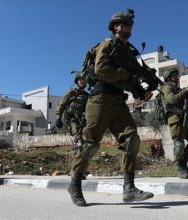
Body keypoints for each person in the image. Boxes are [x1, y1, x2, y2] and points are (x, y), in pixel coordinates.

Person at [67, 8, 154, 206]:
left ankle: (129, 189)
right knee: (90, 144)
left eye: (130, 24)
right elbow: (102, 69)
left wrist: (141, 92)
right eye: (125, 24)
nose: (129, 27)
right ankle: (74, 184)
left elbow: (131, 81)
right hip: (100, 99)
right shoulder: (107, 44)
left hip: (118, 101)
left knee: (132, 139)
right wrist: (126, 75)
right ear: (116, 26)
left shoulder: (130, 53)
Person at [160, 68, 188, 179]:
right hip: (175, 119)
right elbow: (172, 100)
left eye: (177, 76)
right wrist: (186, 90)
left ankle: (183, 163)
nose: (177, 78)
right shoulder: (166, 88)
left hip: (185, 118)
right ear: (168, 77)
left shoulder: (177, 89)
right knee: (179, 143)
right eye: (174, 76)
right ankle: (179, 167)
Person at [55, 73, 89, 150]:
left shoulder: (87, 95)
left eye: (85, 79)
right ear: (77, 81)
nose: (83, 81)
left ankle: (80, 152)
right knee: (77, 135)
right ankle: (77, 151)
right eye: (81, 79)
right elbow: (62, 105)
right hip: (72, 118)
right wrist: (58, 118)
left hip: (84, 119)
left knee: (86, 137)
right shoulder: (72, 92)